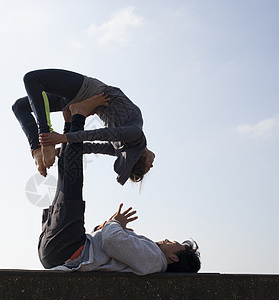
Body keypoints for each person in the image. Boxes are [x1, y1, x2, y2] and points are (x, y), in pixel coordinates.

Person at [38, 96, 201, 275]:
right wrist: (107, 226)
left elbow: (111, 241)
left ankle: (77, 116)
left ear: (174, 258)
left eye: (173, 243)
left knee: (71, 180)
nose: (168, 240)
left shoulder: (154, 259)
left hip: (68, 249)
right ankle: (70, 120)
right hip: (61, 250)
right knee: (67, 181)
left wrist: (116, 223)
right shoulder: (150, 258)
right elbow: (104, 243)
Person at [12, 69, 155, 185]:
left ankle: (44, 136)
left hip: (89, 91)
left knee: (32, 79)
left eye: (149, 165)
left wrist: (59, 142)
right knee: (19, 107)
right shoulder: (123, 146)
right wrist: (59, 147)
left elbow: (99, 136)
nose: (152, 165)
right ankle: (37, 149)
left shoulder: (136, 134)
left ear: (141, 156)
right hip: (79, 100)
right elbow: (91, 145)